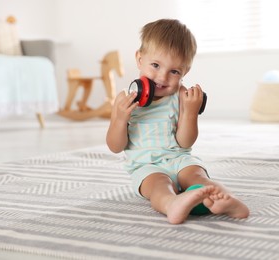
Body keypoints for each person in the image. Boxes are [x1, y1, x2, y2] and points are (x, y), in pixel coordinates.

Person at [106, 19, 249, 224]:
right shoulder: (126, 101)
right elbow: (115, 146)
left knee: (199, 178)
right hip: (146, 167)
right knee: (159, 185)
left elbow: (185, 143)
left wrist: (190, 113)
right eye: (155, 65)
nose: (162, 77)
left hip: (180, 159)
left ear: (185, 72)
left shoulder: (181, 97)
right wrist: (119, 119)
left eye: (174, 71)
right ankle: (171, 204)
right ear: (139, 59)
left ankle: (228, 201)